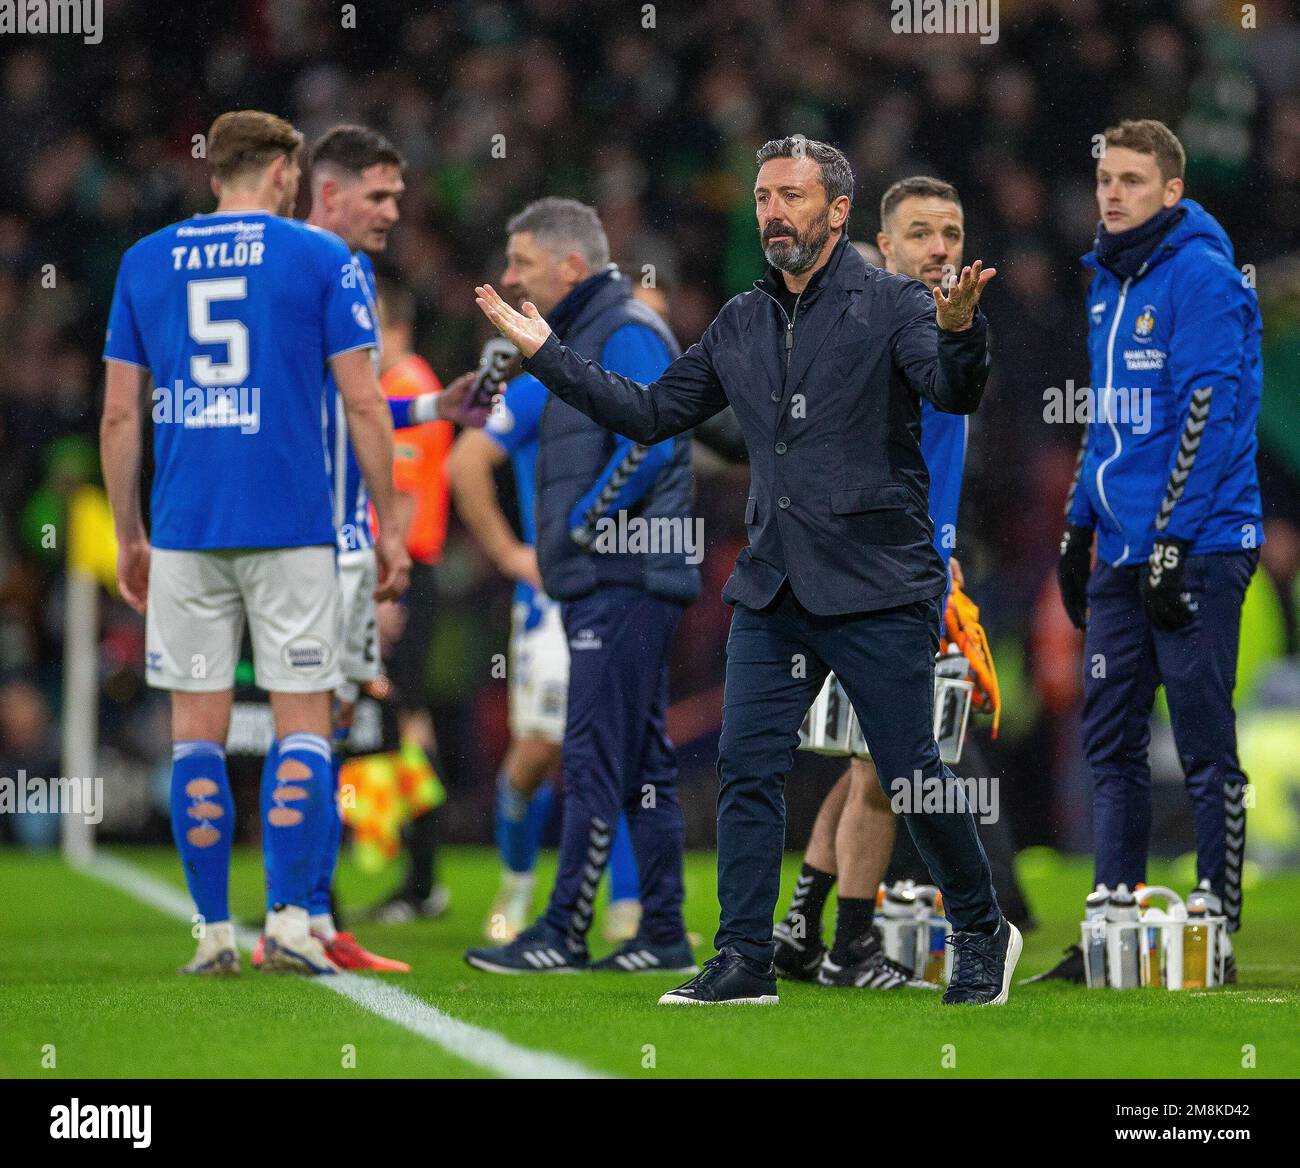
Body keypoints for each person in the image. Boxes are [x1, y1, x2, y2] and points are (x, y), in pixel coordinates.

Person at [475, 137, 1020, 1006]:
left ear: (839, 213)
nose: (773, 212)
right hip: (774, 587)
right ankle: (742, 959)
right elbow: (654, 414)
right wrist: (550, 355)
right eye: (765, 197)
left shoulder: (892, 304)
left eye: (793, 197)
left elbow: (952, 391)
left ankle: (984, 930)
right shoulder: (742, 320)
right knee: (746, 767)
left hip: (879, 584)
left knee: (911, 772)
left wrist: (960, 332)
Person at [101, 109, 409, 975]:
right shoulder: (324, 260)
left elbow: (121, 413)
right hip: (294, 528)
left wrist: (131, 535)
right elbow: (361, 402)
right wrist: (390, 521)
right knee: (302, 725)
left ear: (214, 175)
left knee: (195, 733)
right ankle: (288, 920)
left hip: (188, 528)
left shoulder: (145, 260)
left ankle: (210, 933)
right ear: (284, 175)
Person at [1042, 118, 1263, 983]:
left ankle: (1214, 926)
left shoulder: (1202, 279)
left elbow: (1209, 417)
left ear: (1172, 192)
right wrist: (1077, 521)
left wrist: (1170, 538)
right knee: (1110, 739)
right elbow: (1108, 421)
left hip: (1200, 542)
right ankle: (1115, 923)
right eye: (1106, 178)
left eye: (1133, 180)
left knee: (1205, 742)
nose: (1113, 192)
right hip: (1125, 549)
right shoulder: (1109, 281)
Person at [462, 197, 697, 976]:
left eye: (522, 262)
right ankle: (662, 931)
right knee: (640, 760)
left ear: (570, 265)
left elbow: (654, 443)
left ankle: (563, 930)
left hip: (622, 571)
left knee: (595, 754)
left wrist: (583, 527)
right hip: (617, 572)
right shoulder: (586, 334)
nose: (509, 276)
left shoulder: (624, 327)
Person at [448, 364, 645, 944]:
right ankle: (516, 878)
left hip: (625, 589)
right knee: (538, 753)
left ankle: (627, 905)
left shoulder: (645, 383)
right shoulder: (541, 388)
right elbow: (465, 461)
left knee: (623, 745)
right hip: (554, 598)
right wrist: (510, 554)